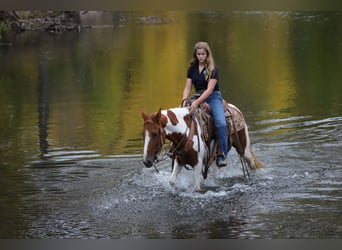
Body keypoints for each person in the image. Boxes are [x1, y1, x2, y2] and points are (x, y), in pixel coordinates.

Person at [182, 41, 228, 167]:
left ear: (207, 55)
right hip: (196, 95)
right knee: (182, 118)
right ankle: (180, 151)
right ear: (195, 55)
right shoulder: (191, 68)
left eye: (203, 54)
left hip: (212, 97)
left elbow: (209, 90)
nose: (201, 56)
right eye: (199, 54)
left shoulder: (212, 69)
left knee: (221, 123)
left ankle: (221, 154)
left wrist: (196, 102)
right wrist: (184, 101)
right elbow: (187, 88)